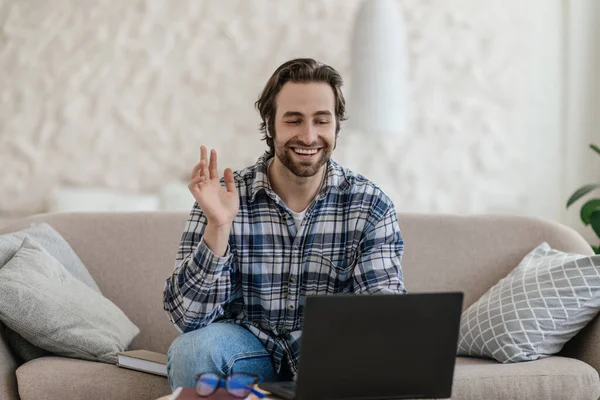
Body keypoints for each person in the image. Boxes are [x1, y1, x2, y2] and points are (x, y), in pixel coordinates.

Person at [163, 58, 406, 390]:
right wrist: (218, 227)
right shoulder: (223, 199)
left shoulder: (369, 204)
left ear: (336, 125)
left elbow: (384, 315)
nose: (309, 136)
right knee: (193, 350)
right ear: (270, 123)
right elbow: (188, 320)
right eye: (294, 120)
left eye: (322, 121)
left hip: (328, 357)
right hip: (245, 351)